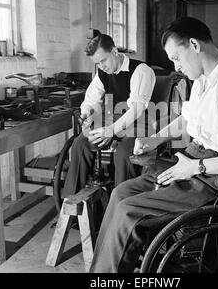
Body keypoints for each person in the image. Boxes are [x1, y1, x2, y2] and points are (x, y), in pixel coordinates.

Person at [89, 17, 218, 273]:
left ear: (194, 45)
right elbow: (188, 119)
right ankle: (101, 272)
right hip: (192, 160)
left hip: (212, 177)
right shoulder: (204, 79)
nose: (175, 66)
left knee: (129, 210)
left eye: (177, 58)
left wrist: (196, 167)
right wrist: (157, 138)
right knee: (121, 193)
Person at [61, 32, 156, 198]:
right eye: (97, 63)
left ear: (114, 51)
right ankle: (72, 205)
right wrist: (87, 114)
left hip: (142, 123)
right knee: (80, 144)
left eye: (103, 60)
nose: (102, 66)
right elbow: (91, 99)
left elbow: (137, 109)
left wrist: (111, 130)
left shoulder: (140, 71)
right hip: (114, 121)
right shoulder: (103, 73)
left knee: (124, 153)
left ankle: (121, 206)